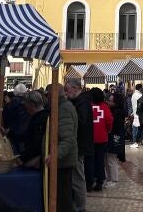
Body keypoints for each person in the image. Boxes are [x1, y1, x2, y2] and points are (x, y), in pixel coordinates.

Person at [48, 84, 78, 212]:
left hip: (62, 162)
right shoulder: (60, 107)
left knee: (63, 199)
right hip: (61, 161)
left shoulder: (64, 109)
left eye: (48, 94)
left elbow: (68, 138)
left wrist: (55, 155)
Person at [64, 78, 93, 212]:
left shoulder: (83, 102)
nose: (66, 92)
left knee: (78, 177)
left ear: (75, 88)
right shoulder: (79, 101)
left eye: (67, 89)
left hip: (80, 145)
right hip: (79, 144)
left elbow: (80, 122)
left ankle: (80, 207)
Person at [88, 88, 112, 192]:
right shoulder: (105, 106)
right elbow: (109, 120)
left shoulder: (88, 106)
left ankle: (89, 181)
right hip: (102, 138)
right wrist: (108, 130)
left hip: (89, 138)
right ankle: (99, 182)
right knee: (100, 160)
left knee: (89, 160)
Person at [19, 90, 49, 168]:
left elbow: (36, 144)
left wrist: (23, 158)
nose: (25, 107)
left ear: (32, 105)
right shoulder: (39, 117)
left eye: (26, 104)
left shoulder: (40, 119)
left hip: (37, 160)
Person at [104, 91, 126, 188]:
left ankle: (113, 179)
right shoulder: (115, 110)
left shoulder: (117, 112)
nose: (108, 102)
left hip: (114, 137)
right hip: (113, 137)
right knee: (108, 158)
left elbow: (114, 126)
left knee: (111, 159)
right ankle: (109, 178)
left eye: (110, 101)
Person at [3, 83, 31, 156]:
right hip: (25, 134)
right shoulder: (28, 104)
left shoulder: (9, 104)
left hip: (12, 133)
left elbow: (5, 118)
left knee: (13, 154)